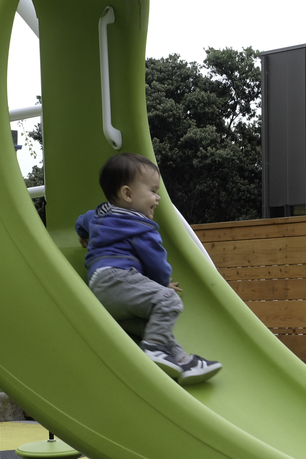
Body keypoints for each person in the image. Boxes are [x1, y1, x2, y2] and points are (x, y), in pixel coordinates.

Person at [75, 152, 221, 385]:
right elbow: (157, 264)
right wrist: (164, 283)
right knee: (169, 301)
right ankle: (154, 350)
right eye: (153, 191)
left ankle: (182, 361)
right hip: (118, 279)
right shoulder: (141, 227)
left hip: (100, 289)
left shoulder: (99, 215)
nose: (158, 198)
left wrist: (82, 235)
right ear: (128, 194)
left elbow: (81, 221)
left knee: (150, 326)